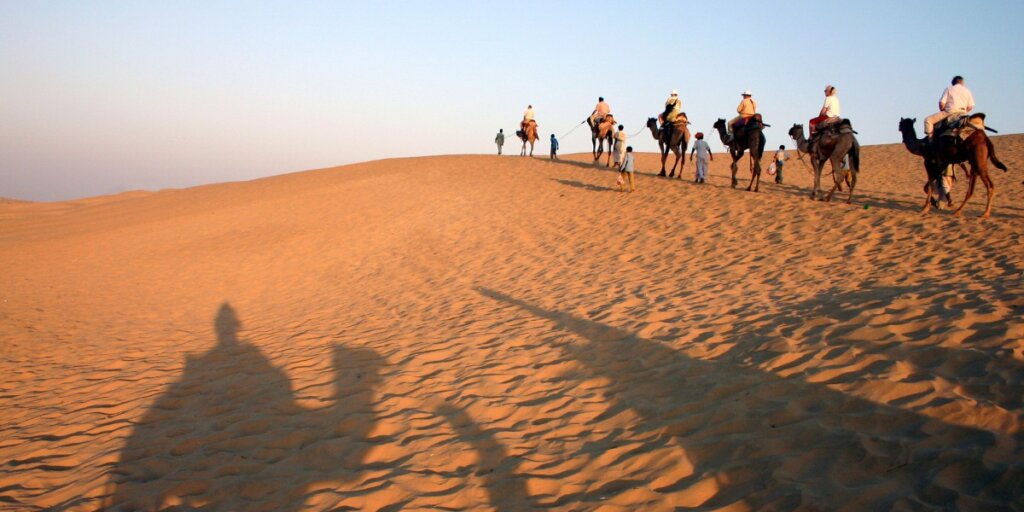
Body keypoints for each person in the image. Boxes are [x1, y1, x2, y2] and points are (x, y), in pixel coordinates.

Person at [924, 75, 975, 140]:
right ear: (962, 82)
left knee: (928, 120)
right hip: (963, 113)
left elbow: (941, 103)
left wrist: (942, 110)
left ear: (953, 83)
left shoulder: (949, 89)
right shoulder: (967, 90)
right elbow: (970, 106)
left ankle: (930, 140)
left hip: (950, 111)